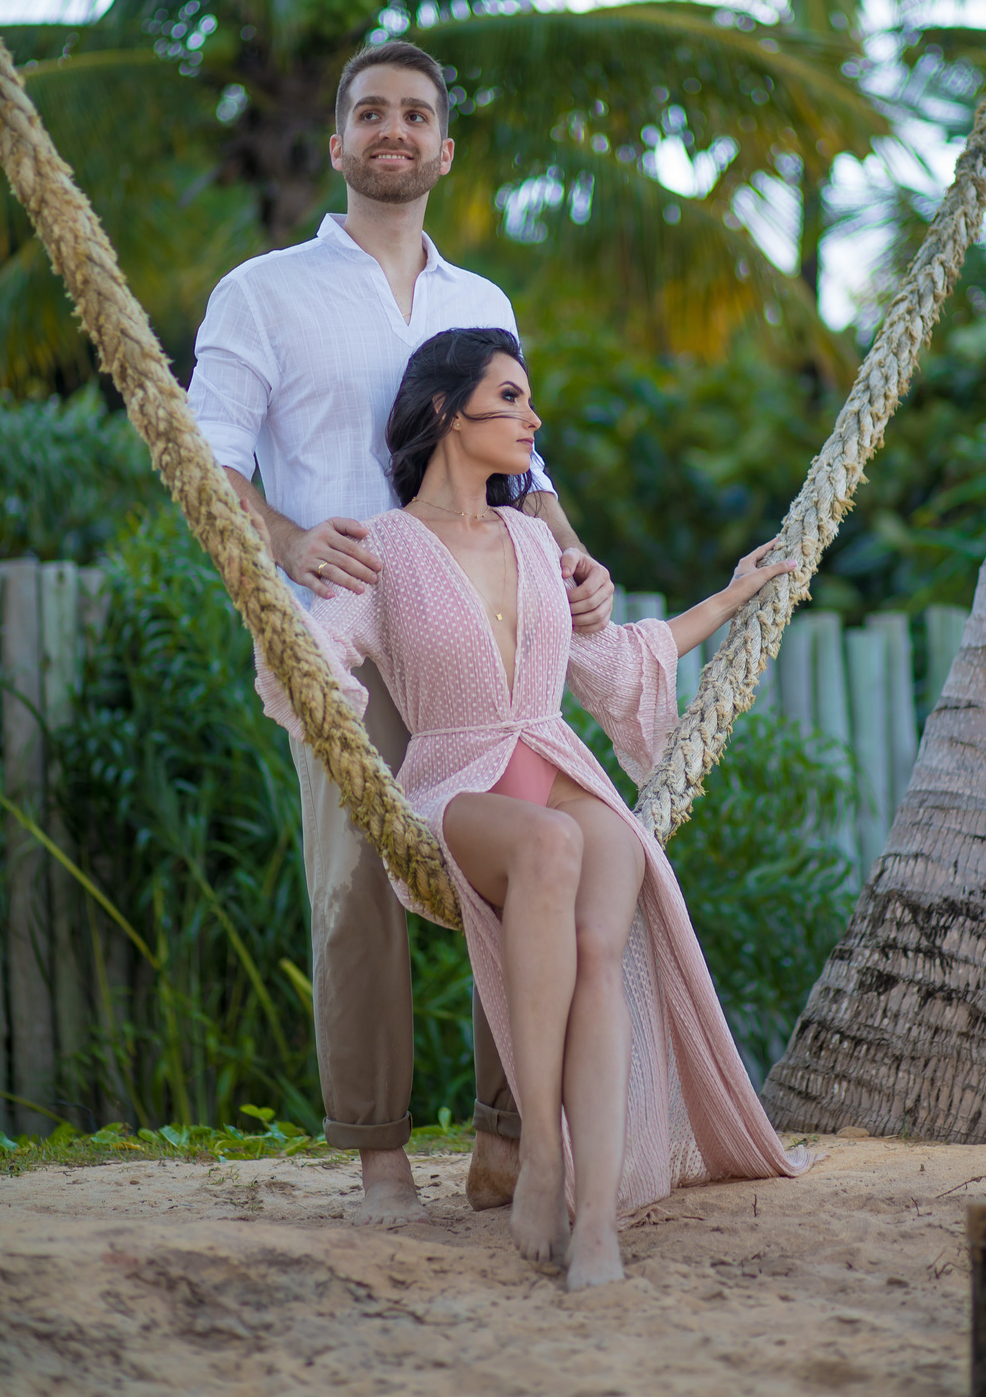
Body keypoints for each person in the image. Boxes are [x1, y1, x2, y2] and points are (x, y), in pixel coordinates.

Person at [256, 327, 816, 1291]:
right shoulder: (382, 546)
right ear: (444, 412)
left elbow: (606, 662)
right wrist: (325, 701)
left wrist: (727, 603)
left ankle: (595, 1216)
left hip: (555, 761)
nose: (532, 418)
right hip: (453, 788)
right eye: (511, 398)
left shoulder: (531, 538)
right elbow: (312, 659)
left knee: (610, 896)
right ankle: (541, 1157)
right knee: (553, 846)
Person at [187, 40, 614, 1224]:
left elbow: (525, 458)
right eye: (370, 113)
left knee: (528, 867)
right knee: (358, 886)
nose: (393, 130)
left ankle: (508, 1138)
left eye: (415, 115)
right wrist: (283, 539)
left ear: (444, 148)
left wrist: (571, 555)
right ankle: (379, 1159)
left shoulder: (483, 304)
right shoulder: (262, 292)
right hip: (346, 631)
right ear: (338, 145)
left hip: (485, 625)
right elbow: (204, 459)